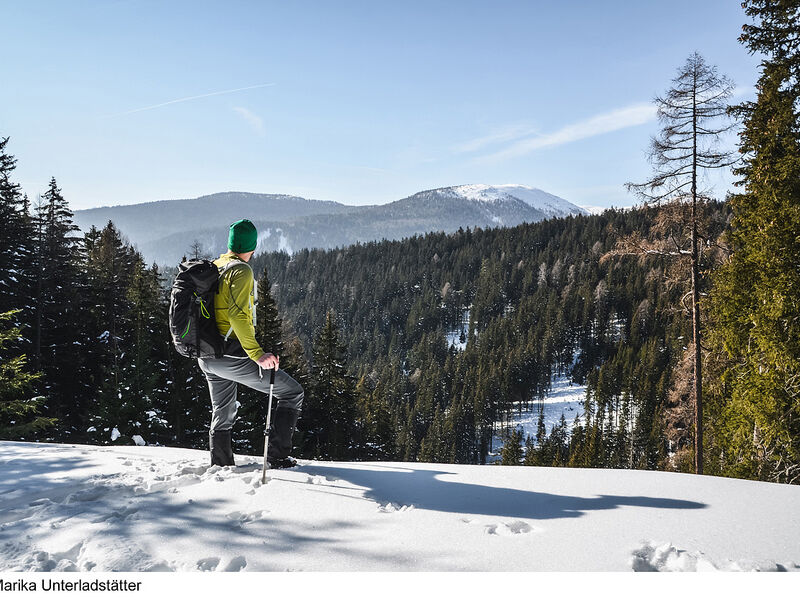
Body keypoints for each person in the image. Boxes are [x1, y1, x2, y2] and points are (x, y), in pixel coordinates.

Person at [198, 218, 304, 468]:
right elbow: (237, 315)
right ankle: (277, 457)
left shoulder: (217, 265)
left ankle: (221, 464)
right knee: (292, 392)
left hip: (207, 355)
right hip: (231, 356)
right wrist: (257, 354)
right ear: (252, 246)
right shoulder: (241, 271)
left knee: (222, 410)